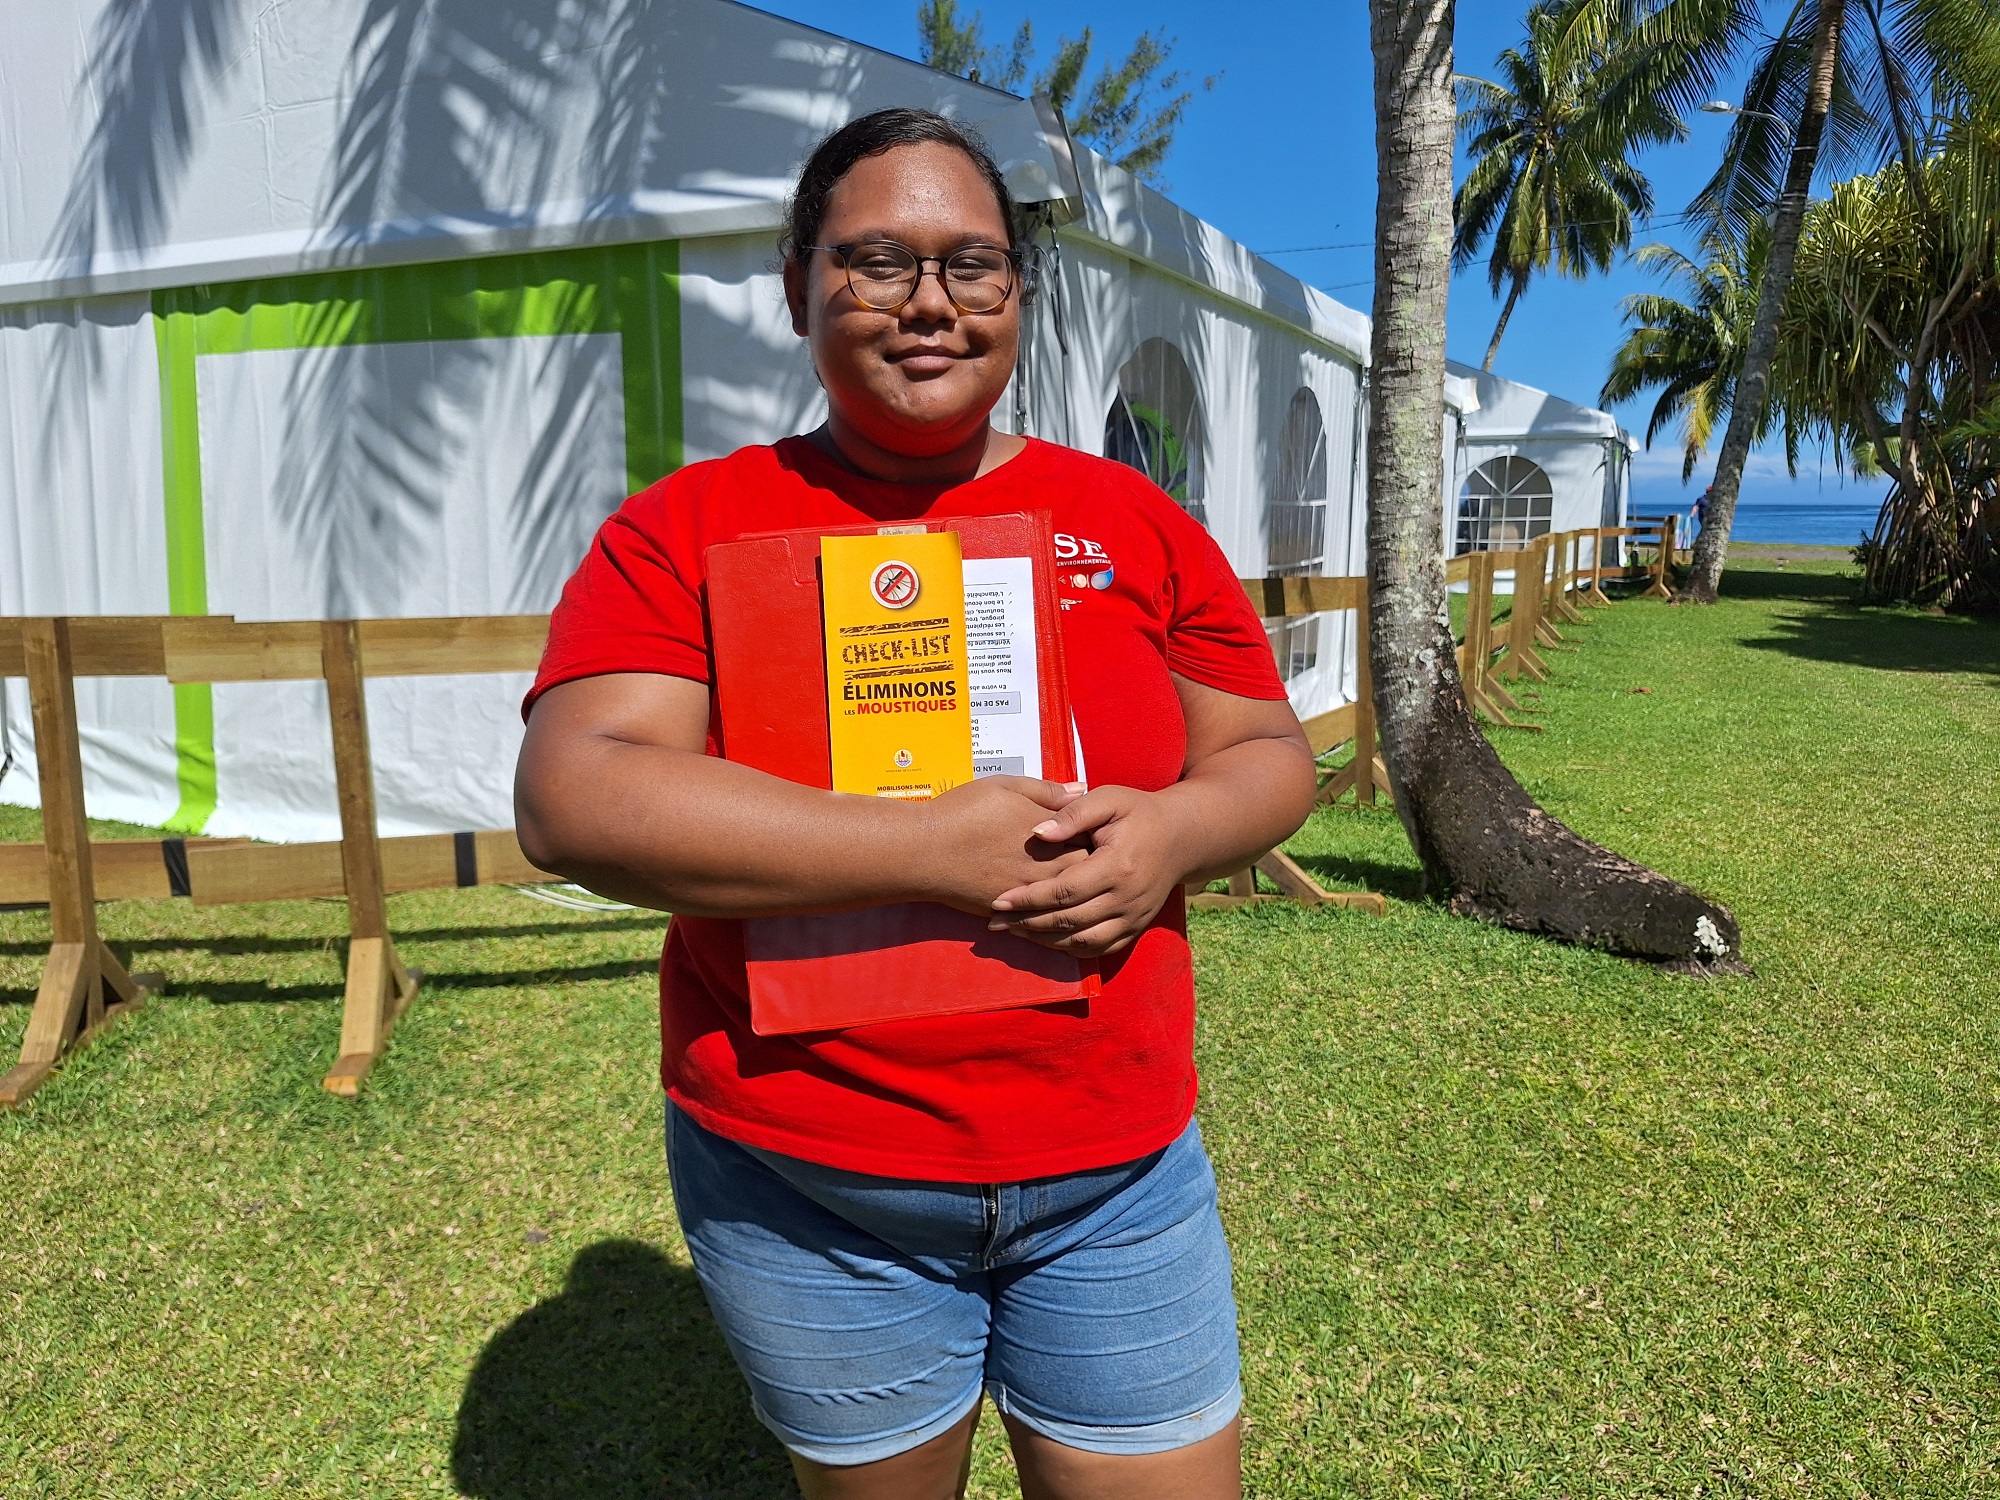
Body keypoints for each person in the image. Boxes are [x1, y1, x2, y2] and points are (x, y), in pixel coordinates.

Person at [516, 108, 1317, 1500]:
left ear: (1018, 294)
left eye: (974, 266)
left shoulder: (1134, 522)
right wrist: (927, 848)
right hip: (809, 1180)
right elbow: (576, 796)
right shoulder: (691, 529)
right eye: (876, 262)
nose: (930, 303)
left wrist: (1174, 831)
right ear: (797, 287)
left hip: (1115, 1174)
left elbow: (1264, 749)